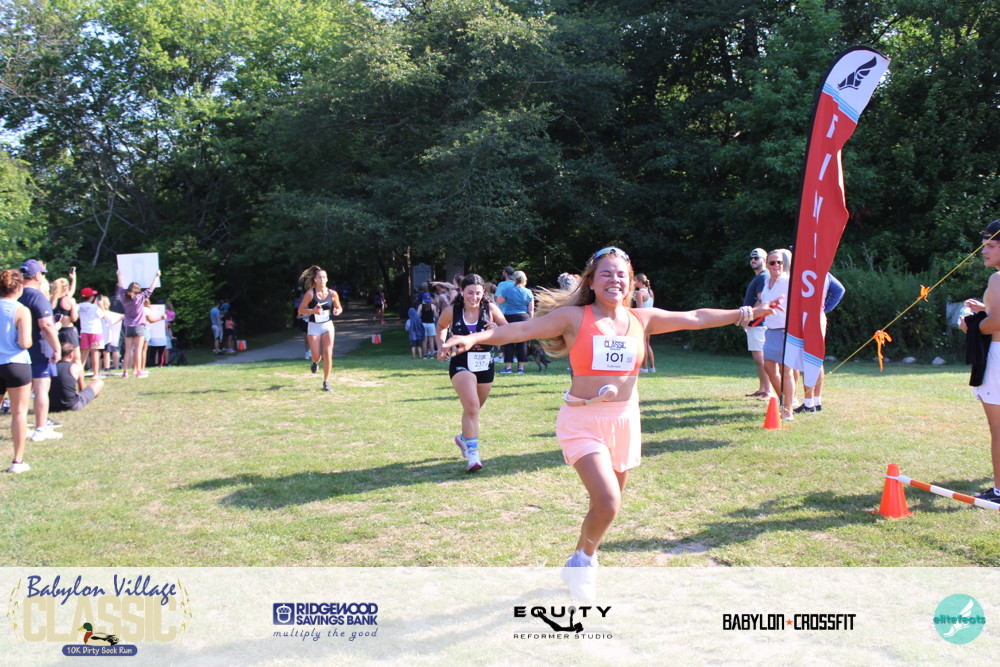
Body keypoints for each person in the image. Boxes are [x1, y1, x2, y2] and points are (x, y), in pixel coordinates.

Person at [441, 247, 770, 598]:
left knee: (605, 506)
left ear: (630, 282)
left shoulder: (642, 319)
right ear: (591, 282)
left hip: (625, 421)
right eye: (606, 274)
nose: (615, 280)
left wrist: (747, 313)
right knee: (609, 501)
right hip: (582, 420)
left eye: (621, 274)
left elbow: (696, 317)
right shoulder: (573, 317)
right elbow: (520, 331)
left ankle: (581, 558)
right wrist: (473, 338)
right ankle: (586, 564)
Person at [436, 274, 508, 472]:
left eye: (478, 293)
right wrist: (441, 345)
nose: (474, 297)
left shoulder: (490, 309)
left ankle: (463, 438)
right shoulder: (452, 310)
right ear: (461, 292)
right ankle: (473, 455)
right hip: (461, 362)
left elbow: (507, 329)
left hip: (485, 363)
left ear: (483, 293)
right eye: (469, 292)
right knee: (472, 406)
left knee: (474, 409)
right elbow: (441, 326)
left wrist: (496, 328)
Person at [961, 219, 1000, 502]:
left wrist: (970, 326)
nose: (984, 251)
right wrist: (986, 308)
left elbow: (997, 322)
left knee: (998, 429)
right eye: (984, 245)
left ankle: (999, 491)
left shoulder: (997, 279)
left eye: (991, 246)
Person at [18, 259, 62, 442]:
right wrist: (57, 347)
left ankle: (21, 427)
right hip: (39, 349)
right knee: (41, 389)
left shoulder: (13, 295)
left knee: (21, 393)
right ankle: (41, 428)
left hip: (18, 350)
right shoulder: (36, 296)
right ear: (37, 276)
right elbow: (46, 324)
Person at [794, 273, 845, 414]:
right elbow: (839, 289)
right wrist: (824, 309)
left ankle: (809, 403)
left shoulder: (804, 270)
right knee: (816, 359)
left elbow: (839, 290)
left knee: (808, 359)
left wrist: (825, 308)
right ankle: (816, 401)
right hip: (817, 317)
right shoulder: (823, 271)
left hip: (808, 317)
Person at [0, 269, 34, 473]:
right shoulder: (21, 310)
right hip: (16, 364)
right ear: (19, 287)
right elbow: (24, 342)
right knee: (19, 412)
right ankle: (17, 461)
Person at [756, 249, 796, 420]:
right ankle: (784, 400)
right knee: (769, 366)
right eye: (772, 262)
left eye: (779, 262)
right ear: (767, 264)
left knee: (787, 370)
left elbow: (798, 302)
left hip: (786, 330)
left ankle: (788, 409)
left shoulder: (787, 281)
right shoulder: (767, 283)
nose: (776, 265)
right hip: (771, 330)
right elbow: (764, 305)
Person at [298, 266, 343, 392]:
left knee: (328, 353)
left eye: (324, 277)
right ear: (315, 279)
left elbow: (339, 307)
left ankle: (326, 382)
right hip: (314, 326)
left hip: (327, 325)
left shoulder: (332, 293)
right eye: (319, 277)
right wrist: (313, 311)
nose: (322, 280)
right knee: (316, 355)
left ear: (327, 279)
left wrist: (337, 311)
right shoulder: (310, 294)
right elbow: (300, 310)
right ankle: (315, 362)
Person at [116, 269, 159, 379]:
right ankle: (139, 371)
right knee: (138, 350)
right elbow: (151, 289)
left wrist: (119, 275)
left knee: (127, 350)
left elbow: (120, 286)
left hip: (128, 326)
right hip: (139, 326)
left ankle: (125, 372)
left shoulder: (123, 297)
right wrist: (156, 277)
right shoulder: (139, 298)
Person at [743, 248, 770, 398]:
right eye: (751, 258)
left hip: (759, 323)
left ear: (764, 260)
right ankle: (762, 388)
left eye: (756, 258)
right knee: (758, 358)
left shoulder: (763, 277)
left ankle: (768, 391)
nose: (753, 260)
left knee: (761, 358)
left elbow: (761, 300)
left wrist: (748, 316)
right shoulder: (759, 277)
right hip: (755, 323)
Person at [49, 342, 105, 413]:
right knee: (99, 382)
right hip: (71, 405)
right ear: (71, 355)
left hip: (51, 406)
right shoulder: (75, 368)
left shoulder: (51, 367)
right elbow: (82, 389)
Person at [497, 270, 534, 375]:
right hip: (524, 317)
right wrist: (531, 321)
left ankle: (508, 367)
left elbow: (499, 301)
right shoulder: (528, 292)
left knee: (508, 342)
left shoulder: (508, 290)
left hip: (510, 317)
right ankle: (521, 368)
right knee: (522, 343)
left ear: (515, 279)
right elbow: (531, 309)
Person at [49, 274, 81, 365]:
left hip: (56, 331)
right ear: (65, 288)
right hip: (68, 331)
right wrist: (76, 308)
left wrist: (74, 279)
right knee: (76, 359)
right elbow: (74, 318)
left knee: (58, 358)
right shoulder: (69, 300)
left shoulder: (51, 300)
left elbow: (71, 291)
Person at [77, 287, 105, 377]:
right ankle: (95, 373)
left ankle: (80, 372)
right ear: (91, 297)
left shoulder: (79, 306)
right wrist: (101, 306)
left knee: (84, 352)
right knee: (95, 352)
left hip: (84, 331)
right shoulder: (95, 307)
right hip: (95, 331)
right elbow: (103, 316)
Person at [633, 273, 656, 373]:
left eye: (635, 280)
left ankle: (645, 368)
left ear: (639, 281)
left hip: (643, 321)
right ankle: (652, 368)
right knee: (647, 344)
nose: (634, 282)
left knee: (643, 344)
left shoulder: (640, 293)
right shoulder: (650, 292)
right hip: (650, 320)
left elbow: (640, 310)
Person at [99, 295, 124, 374]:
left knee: (98, 352)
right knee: (107, 352)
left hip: (99, 335)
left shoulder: (96, 313)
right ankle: (108, 368)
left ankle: (98, 368)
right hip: (107, 336)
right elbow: (111, 322)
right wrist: (120, 318)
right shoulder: (109, 314)